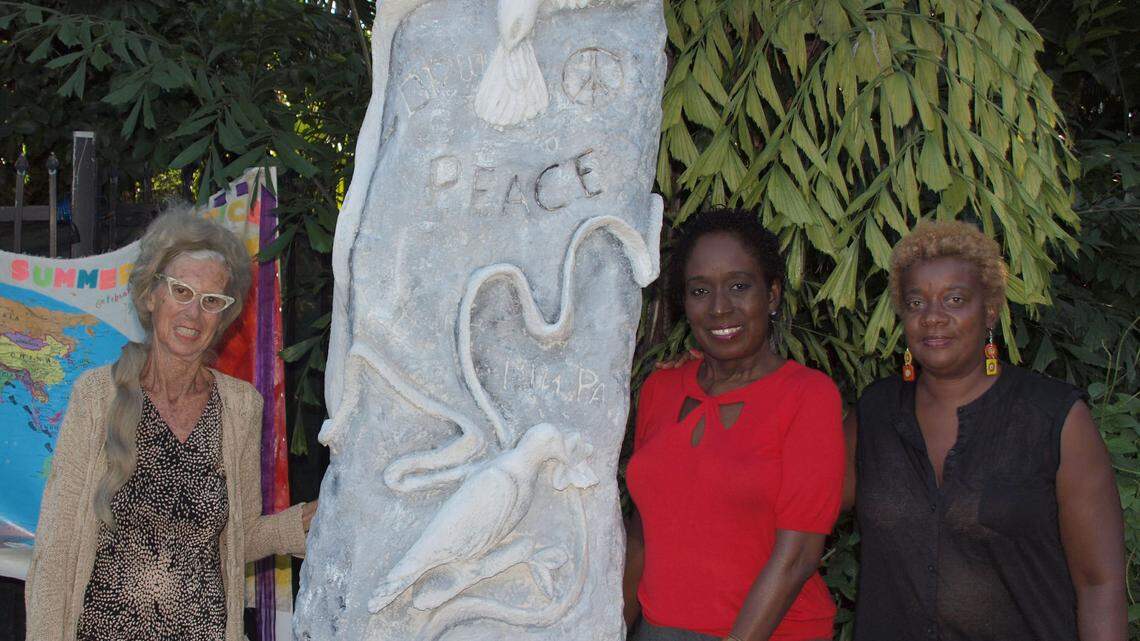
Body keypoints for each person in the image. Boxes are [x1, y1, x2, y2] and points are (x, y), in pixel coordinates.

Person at [25, 208, 318, 641]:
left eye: (211, 301)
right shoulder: (96, 396)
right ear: (150, 295)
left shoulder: (239, 407)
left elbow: (236, 535)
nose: (193, 314)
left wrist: (303, 525)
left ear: (225, 315)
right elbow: (57, 547)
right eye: (181, 291)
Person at [843, 220, 1127, 641]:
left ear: (990, 309)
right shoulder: (876, 412)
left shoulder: (1054, 418)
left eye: (954, 300)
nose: (934, 318)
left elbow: (1099, 582)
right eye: (917, 303)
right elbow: (801, 509)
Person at [623, 209, 845, 641]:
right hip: (659, 630)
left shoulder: (807, 397)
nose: (720, 307)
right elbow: (641, 537)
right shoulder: (660, 388)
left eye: (739, 286)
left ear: (773, 294)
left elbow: (797, 556)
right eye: (700, 290)